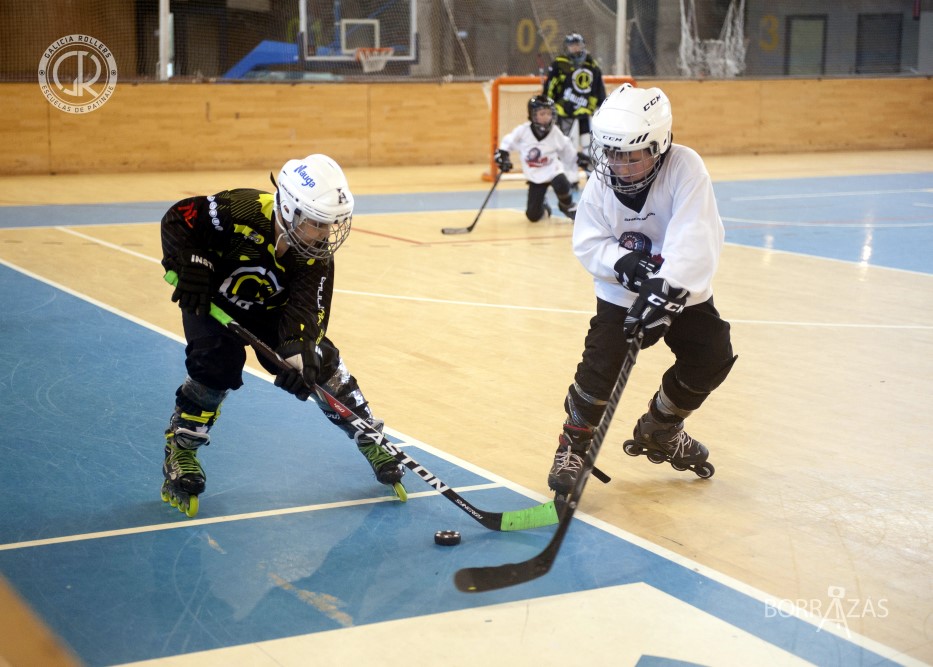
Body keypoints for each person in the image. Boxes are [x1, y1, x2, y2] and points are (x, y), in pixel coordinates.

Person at [159, 153, 404, 517]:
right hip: (213, 301)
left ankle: (369, 435)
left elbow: (307, 314)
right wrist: (193, 261)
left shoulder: (315, 255)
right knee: (215, 362)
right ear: (288, 210)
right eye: (317, 224)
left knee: (319, 360)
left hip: (271, 312)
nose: (325, 234)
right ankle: (182, 447)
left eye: (331, 225)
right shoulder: (238, 210)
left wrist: (300, 359)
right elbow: (179, 219)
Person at [546, 83, 737, 496]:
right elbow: (589, 239)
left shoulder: (685, 168)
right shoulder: (603, 180)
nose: (620, 165)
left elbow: (696, 236)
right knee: (601, 366)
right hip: (621, 291)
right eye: (611, 153)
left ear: (659, 144)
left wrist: (666, 290)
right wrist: (624, 264)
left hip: (679, 289)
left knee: (712, 356)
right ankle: (573, 446)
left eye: (631, 155)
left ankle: (661, 427)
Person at [495, 95, 588, 222]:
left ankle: (566, 206)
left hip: (553, 170)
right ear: (532, 115)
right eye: (542, 113)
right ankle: (543, 206)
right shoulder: (523, 131)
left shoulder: (555, 132)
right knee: (533, 216)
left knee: (561, 182)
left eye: (549, 113)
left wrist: (578, 159)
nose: (546, 117)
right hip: (535, 176)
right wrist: (503, 157)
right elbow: (507, 143)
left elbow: (566, 149)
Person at [544, 33, 606, 189]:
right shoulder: (559, 64)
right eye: (571, 45)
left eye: (577, 44)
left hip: (586, 114)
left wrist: (598, 106)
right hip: (566, 114)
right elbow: (550, 87)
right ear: (566, 47)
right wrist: (549, 105)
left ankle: (592, 177)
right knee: (568, 147)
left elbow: (598, 88)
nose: (575, 48)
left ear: (583, 45)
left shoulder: (592, 65)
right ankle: (571, 179)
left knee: (589, 145)